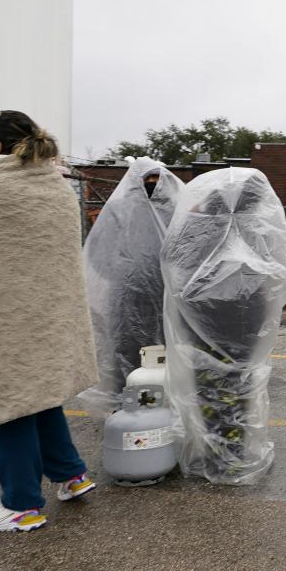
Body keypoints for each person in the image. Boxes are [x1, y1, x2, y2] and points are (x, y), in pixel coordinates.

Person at [0, 112, 99, 534]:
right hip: (49, 314)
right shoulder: (55, 185)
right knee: (40, 395)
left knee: (0, 403)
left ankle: (22, 504)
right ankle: (71, 475)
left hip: (3, 318)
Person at [162, 168, 286, 485]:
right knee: (241, 386)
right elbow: (276, 272)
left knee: (210, 389)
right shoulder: (258, 227)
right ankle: (235, 454)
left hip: (206, 322)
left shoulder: (199, 225)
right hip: (246, 322)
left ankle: (217, 456)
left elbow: (172, 260)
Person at [80, 157, 184, 415]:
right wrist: (125, 276)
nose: (152, 186)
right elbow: (98, 253)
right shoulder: (120, 210)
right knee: (127, 352)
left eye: (156, 181)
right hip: (128, 298)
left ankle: (167, 410)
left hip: (166, 296)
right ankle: (126, 410)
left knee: (167, 355)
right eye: (147, 182)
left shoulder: (176, 208)